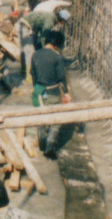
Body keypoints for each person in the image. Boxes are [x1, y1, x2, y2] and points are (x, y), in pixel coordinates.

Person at [31, 30, 71, 158]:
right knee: (56, 119)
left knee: (40, 115)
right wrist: (66, 93)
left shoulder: (35, 55)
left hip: (38, 90)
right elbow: (61, 77)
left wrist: (37, 88)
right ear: (55, 44)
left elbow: (33, 74)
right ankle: (50, 146)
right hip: (52, 91)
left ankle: (42, 141)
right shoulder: (57, 57)